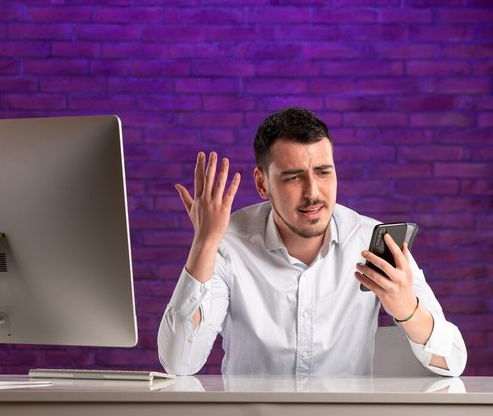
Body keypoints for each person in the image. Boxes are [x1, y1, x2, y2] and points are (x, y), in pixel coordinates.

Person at [157, 107, 467, 377]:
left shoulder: (371, 240)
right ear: (262, 183)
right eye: (293, 176)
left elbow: (452, 360)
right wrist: (204, 243)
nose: (313, 192)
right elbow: (179, 363)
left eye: (323, 172)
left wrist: (406, 309)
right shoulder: (228, 244)